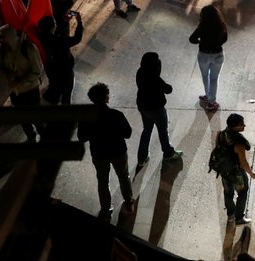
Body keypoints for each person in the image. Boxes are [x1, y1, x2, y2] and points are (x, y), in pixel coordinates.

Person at [78, 82, 136, 219]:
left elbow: (81, 137)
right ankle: (128, 202)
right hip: (118, 152)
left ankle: (106, 208)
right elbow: (128, 133)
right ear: (106, 97)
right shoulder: (116, 115)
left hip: (99, 154)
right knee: (123, 176)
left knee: (103, 181)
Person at [0, 24, 44, 142]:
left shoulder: (28, 48)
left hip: (30, 90)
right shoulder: (0, 50)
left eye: (3, 39)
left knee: (36, 115)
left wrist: (21, 82)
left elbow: (37, 70)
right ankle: (30, 135)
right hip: (15, 91)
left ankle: (44, 134)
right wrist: (7, 74)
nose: (1, 42)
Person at [135, 51, 183, 170]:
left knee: (146, 131)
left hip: (143, 107)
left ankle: (142, 158)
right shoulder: (156, 79)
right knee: (162, 131)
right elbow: (168, 89)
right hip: (157, 110)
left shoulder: (140, 73)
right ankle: (168, 153)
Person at [214, 113, 255, 225]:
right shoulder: (239, 143)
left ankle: (230, 216)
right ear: (234, 126)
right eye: (241, 124)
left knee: (228, 193)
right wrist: (251, 173)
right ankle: (239, 218)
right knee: (242, 192)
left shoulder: (220, 134)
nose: (244, 126)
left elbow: (218, 150)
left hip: (225, 171)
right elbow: (243, 163)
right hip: (237, 173)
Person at [189, 4, 227, 111]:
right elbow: (225, 39)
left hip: (204, 54)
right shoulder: (221, 25)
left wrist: (200, 41)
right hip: (217, 54)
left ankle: (208, 95)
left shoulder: (202, 26)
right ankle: (212, 101)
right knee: (214, 78)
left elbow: (192, 39)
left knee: (205, 76)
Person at [39, 12, 83, 106]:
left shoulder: (42, 37)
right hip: (65, 71)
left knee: (55, 87)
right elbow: (76, 39)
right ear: (52, 27)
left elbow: (62, 37)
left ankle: (53, 99)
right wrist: (79, 23)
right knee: (66, 94)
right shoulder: (57, 41)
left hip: (51, 68)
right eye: (55, 24)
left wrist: (66, 22)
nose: (56, 25)